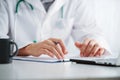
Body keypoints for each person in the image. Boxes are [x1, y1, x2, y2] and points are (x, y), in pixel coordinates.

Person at [0, 0, 110, 59]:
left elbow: (91, 32)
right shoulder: (5, 2)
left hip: (58, 72)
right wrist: (27, 49)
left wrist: (93, 45)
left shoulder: (76, 2)